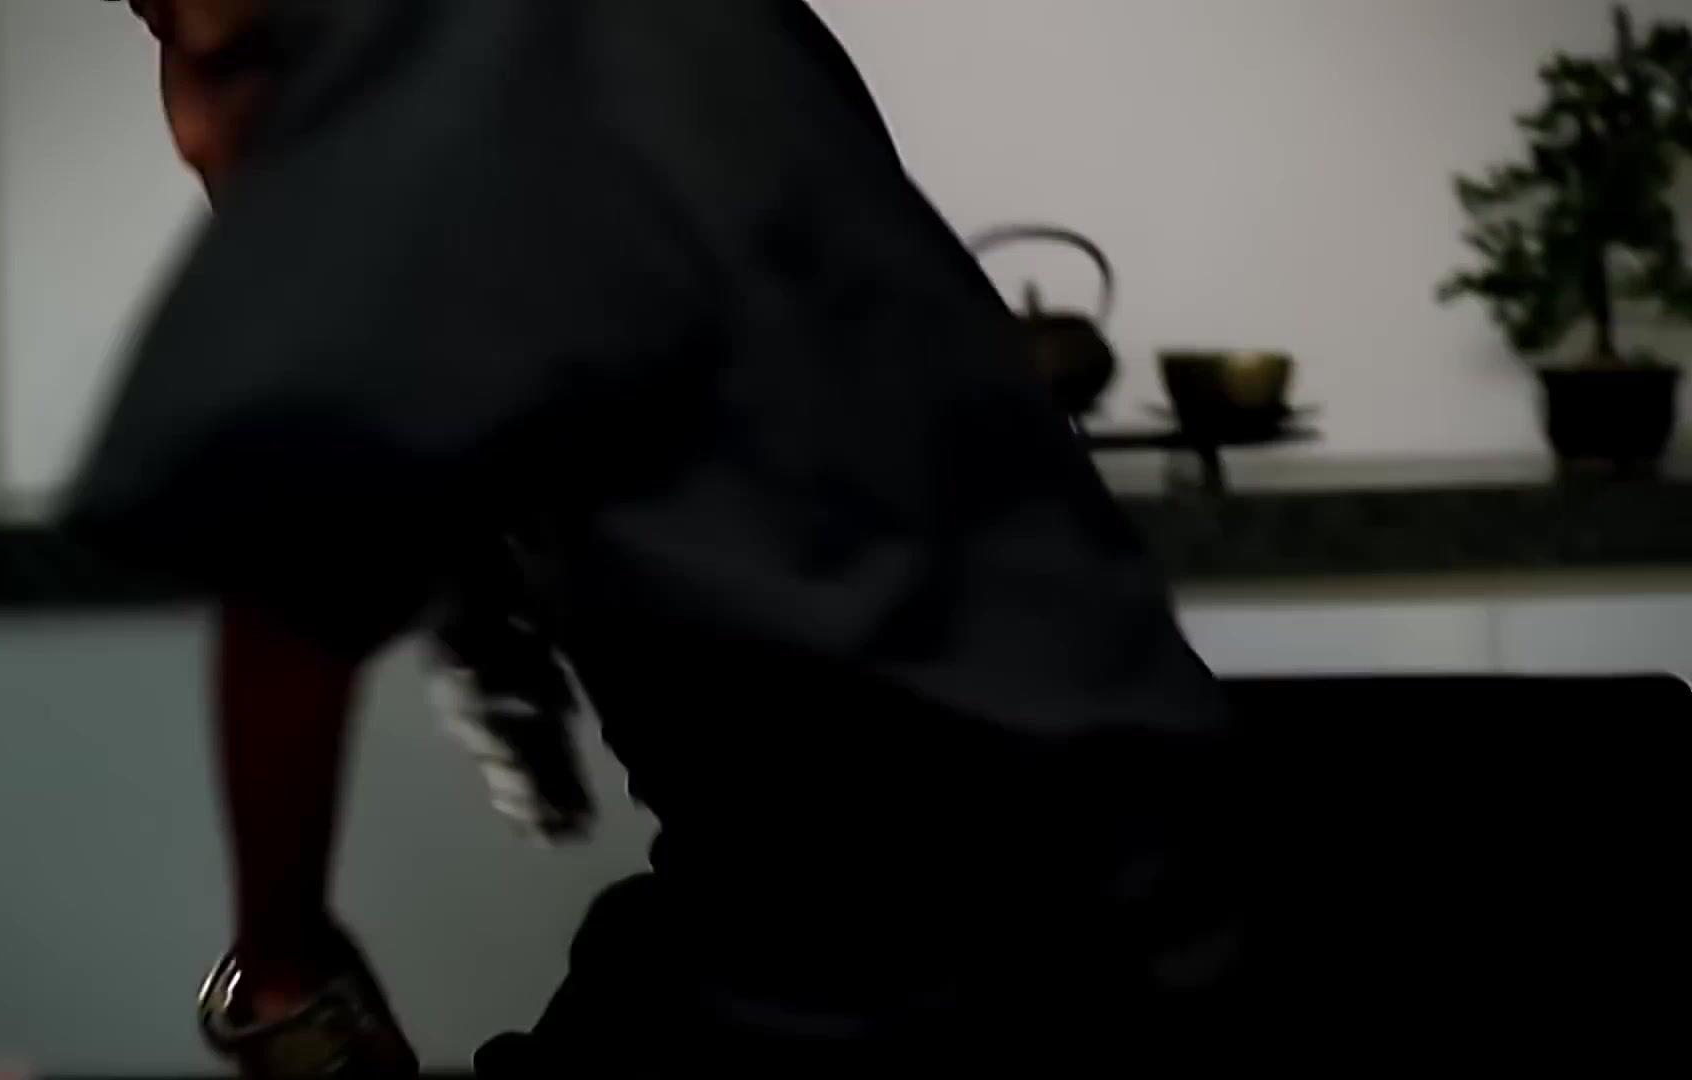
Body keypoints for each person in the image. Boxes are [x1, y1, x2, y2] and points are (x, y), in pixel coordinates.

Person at [71, 0, 1240, 1074]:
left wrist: (286, 981)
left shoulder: (504, 56)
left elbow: (289, 546)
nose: (189, 131)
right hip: (935, 889)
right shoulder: (659, 62)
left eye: (212, 47)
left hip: (957, 933)